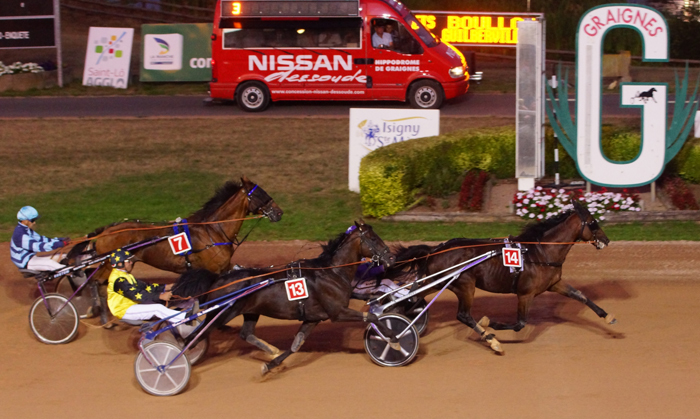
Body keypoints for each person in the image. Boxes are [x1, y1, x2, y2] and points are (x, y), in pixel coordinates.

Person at [106, 248, 197, 336]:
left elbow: (146, 287)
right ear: (120, 264)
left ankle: (188, 309)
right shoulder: (118, 280)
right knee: (157, 308)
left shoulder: (125, 275)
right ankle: (185, 318)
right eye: (128, 261)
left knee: (161, 304)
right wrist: (160, 296)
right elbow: (136, 295)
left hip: (130, 306)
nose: (131, 262)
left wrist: (165, 287)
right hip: (123, 310)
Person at [11, 206, 70, 272]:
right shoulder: (20, 234)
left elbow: (41, 239)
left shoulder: (26, 229)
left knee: (64, 256)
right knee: (50, 264)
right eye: (32, 220)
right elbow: (38, 246)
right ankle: (71, 272)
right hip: (24, 261)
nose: (34, 223)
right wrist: (57, 244)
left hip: (31, 257)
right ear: (25, 220)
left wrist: (58, 240)